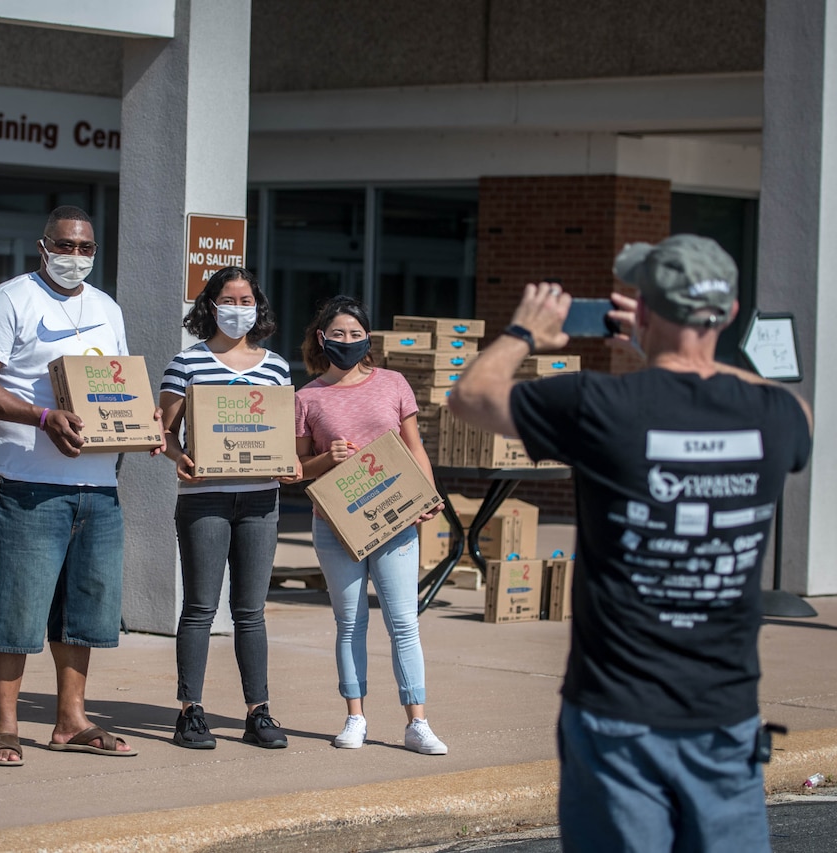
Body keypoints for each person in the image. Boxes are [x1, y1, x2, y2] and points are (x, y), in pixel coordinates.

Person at [448, 235, 813, 852]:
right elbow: (786, 406)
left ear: (642, 311)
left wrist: (523, 331)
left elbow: (471, 396)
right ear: (728, 314)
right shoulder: (778, 416)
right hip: (725, 718)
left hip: (617, 714)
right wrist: (668, 350)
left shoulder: (599, 404)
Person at [0, 205, 162, 767]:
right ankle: (5, 726)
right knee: (17, 610)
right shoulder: (8, 301)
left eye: (86, 249)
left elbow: (116, 387)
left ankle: (70, 720)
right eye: (66, 246)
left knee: (85, 610)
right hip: (27, 480)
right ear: (43, 246)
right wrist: (41, 418)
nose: (76, 258)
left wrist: (144, 428)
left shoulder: (106, 308)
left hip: (97, 486)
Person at [294, 296, 448, 754]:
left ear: (367, 339)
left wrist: (428, 491)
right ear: (322, 339)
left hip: (395, 518)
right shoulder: (307, 397)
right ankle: (355, 716)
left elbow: (413, 445)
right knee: (350, 623)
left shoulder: (393, 383)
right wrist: (328, 458)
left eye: (355, 334)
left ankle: (417, 721)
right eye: (337, 334)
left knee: (404, 622)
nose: (347, 341)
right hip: (336, 525)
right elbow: (297, 467)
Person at [159, 266, 296, 750]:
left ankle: (258, 711)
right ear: (210, 306)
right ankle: (189, 711)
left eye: (247, 299)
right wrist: (181, 459)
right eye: (229, 299)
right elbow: (164, 433)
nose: (239, 308)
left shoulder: (276, 367)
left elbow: (281, 434)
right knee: (199, 608)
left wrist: (289, 463)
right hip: (205, 498)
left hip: (261, 499)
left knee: (250, 611)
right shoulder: (187, 363)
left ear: (257, 307)